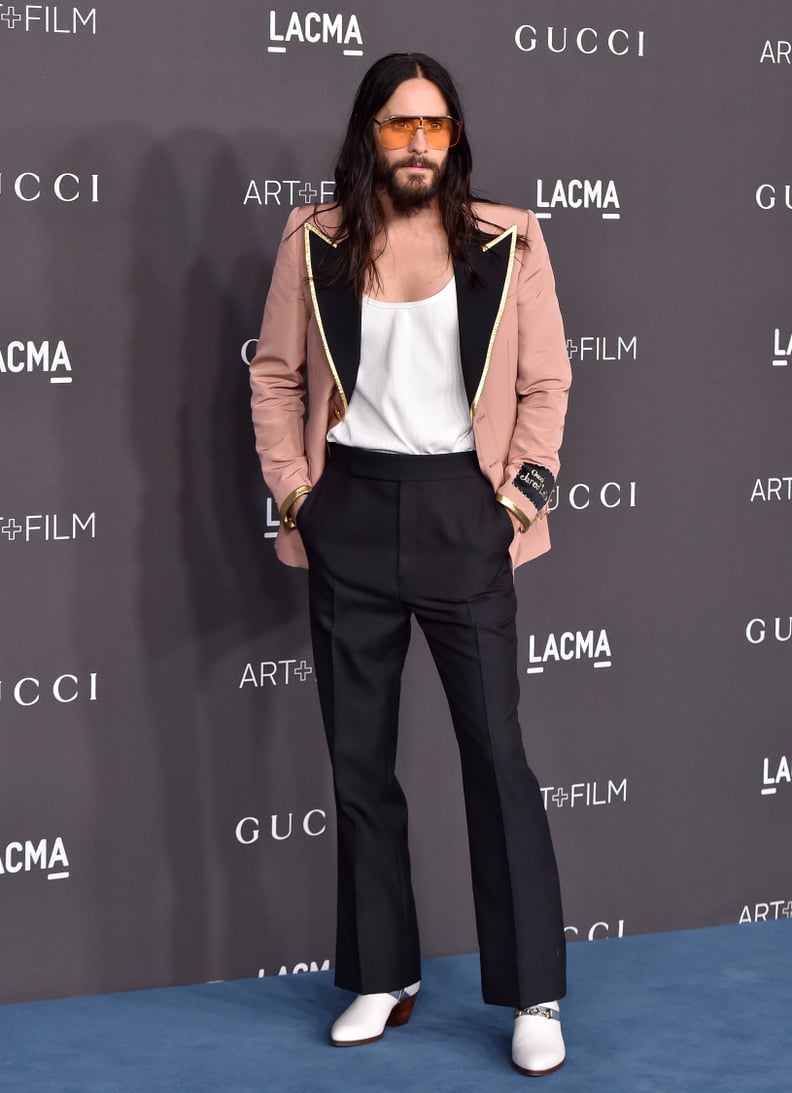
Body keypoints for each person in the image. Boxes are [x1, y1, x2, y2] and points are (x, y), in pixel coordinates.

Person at [249, 52, 572, 1077]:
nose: (420, 142)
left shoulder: (509, 239)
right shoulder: (315, 241)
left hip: (461, 516)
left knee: (498, 760)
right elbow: (275, 374)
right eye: (400, 125)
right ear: (370, 135)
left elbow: (545, 381)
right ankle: (382, 974)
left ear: (456, 137)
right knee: (357, 763)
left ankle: (534, 992)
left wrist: (520, 495)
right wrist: (297, 491)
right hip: (350, 506)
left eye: (435, 124)